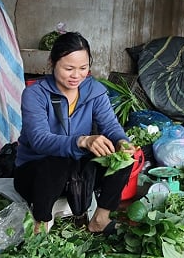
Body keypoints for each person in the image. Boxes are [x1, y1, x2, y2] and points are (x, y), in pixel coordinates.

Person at [14, 32, 136, 235]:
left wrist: (122, 142)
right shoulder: (35, 94)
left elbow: (110, 126)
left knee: (123, 159)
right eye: (69, 68)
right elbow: (39, 140)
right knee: (58, 161)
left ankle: (100, 219)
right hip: (36, 174)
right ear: (52, 63)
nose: (76, 75)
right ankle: (40, 224)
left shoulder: (94, 91)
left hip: (76, 172)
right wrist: (82, 141)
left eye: (83, 68)